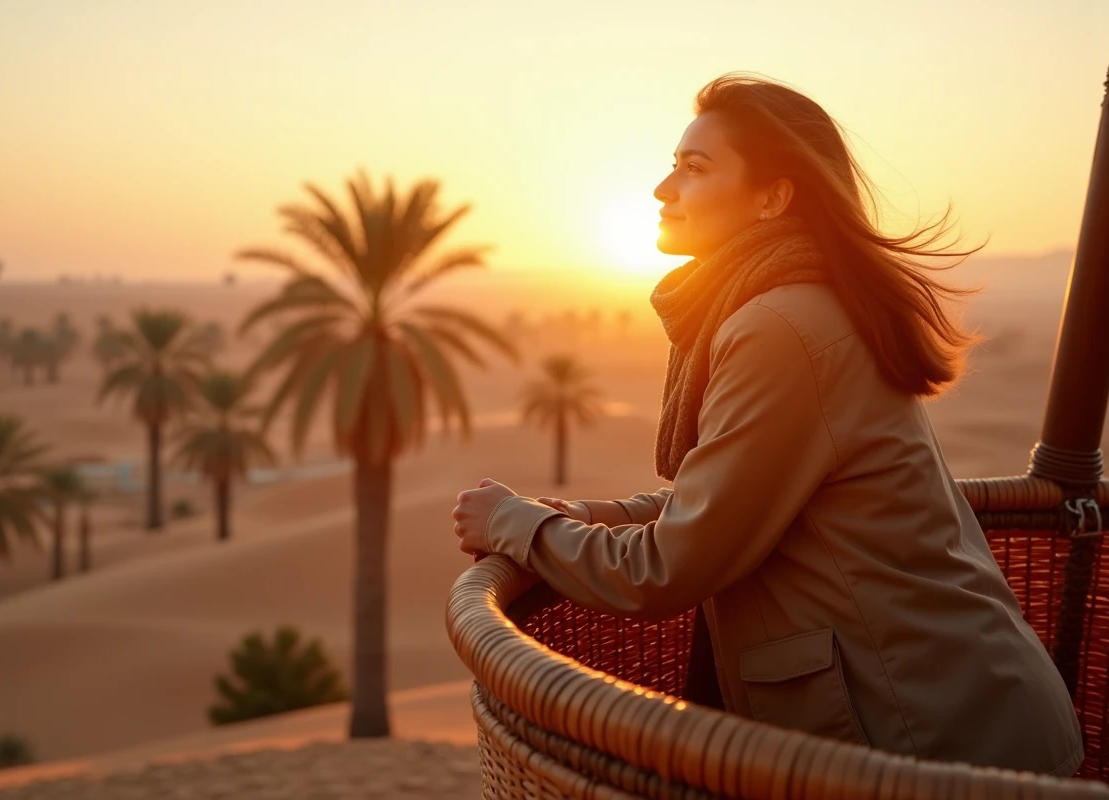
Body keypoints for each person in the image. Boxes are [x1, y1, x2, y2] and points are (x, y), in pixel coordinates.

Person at [450, 73, 1083, 777]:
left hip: (931, 741)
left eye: (695, 168)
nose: (664, 188)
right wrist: (593, 515)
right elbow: (732, 500)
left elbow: (668, 570)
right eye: (672, 164)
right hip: (949, 723)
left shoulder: (781, 327)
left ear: (773, 198)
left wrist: (515, 525)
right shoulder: (790, 308)